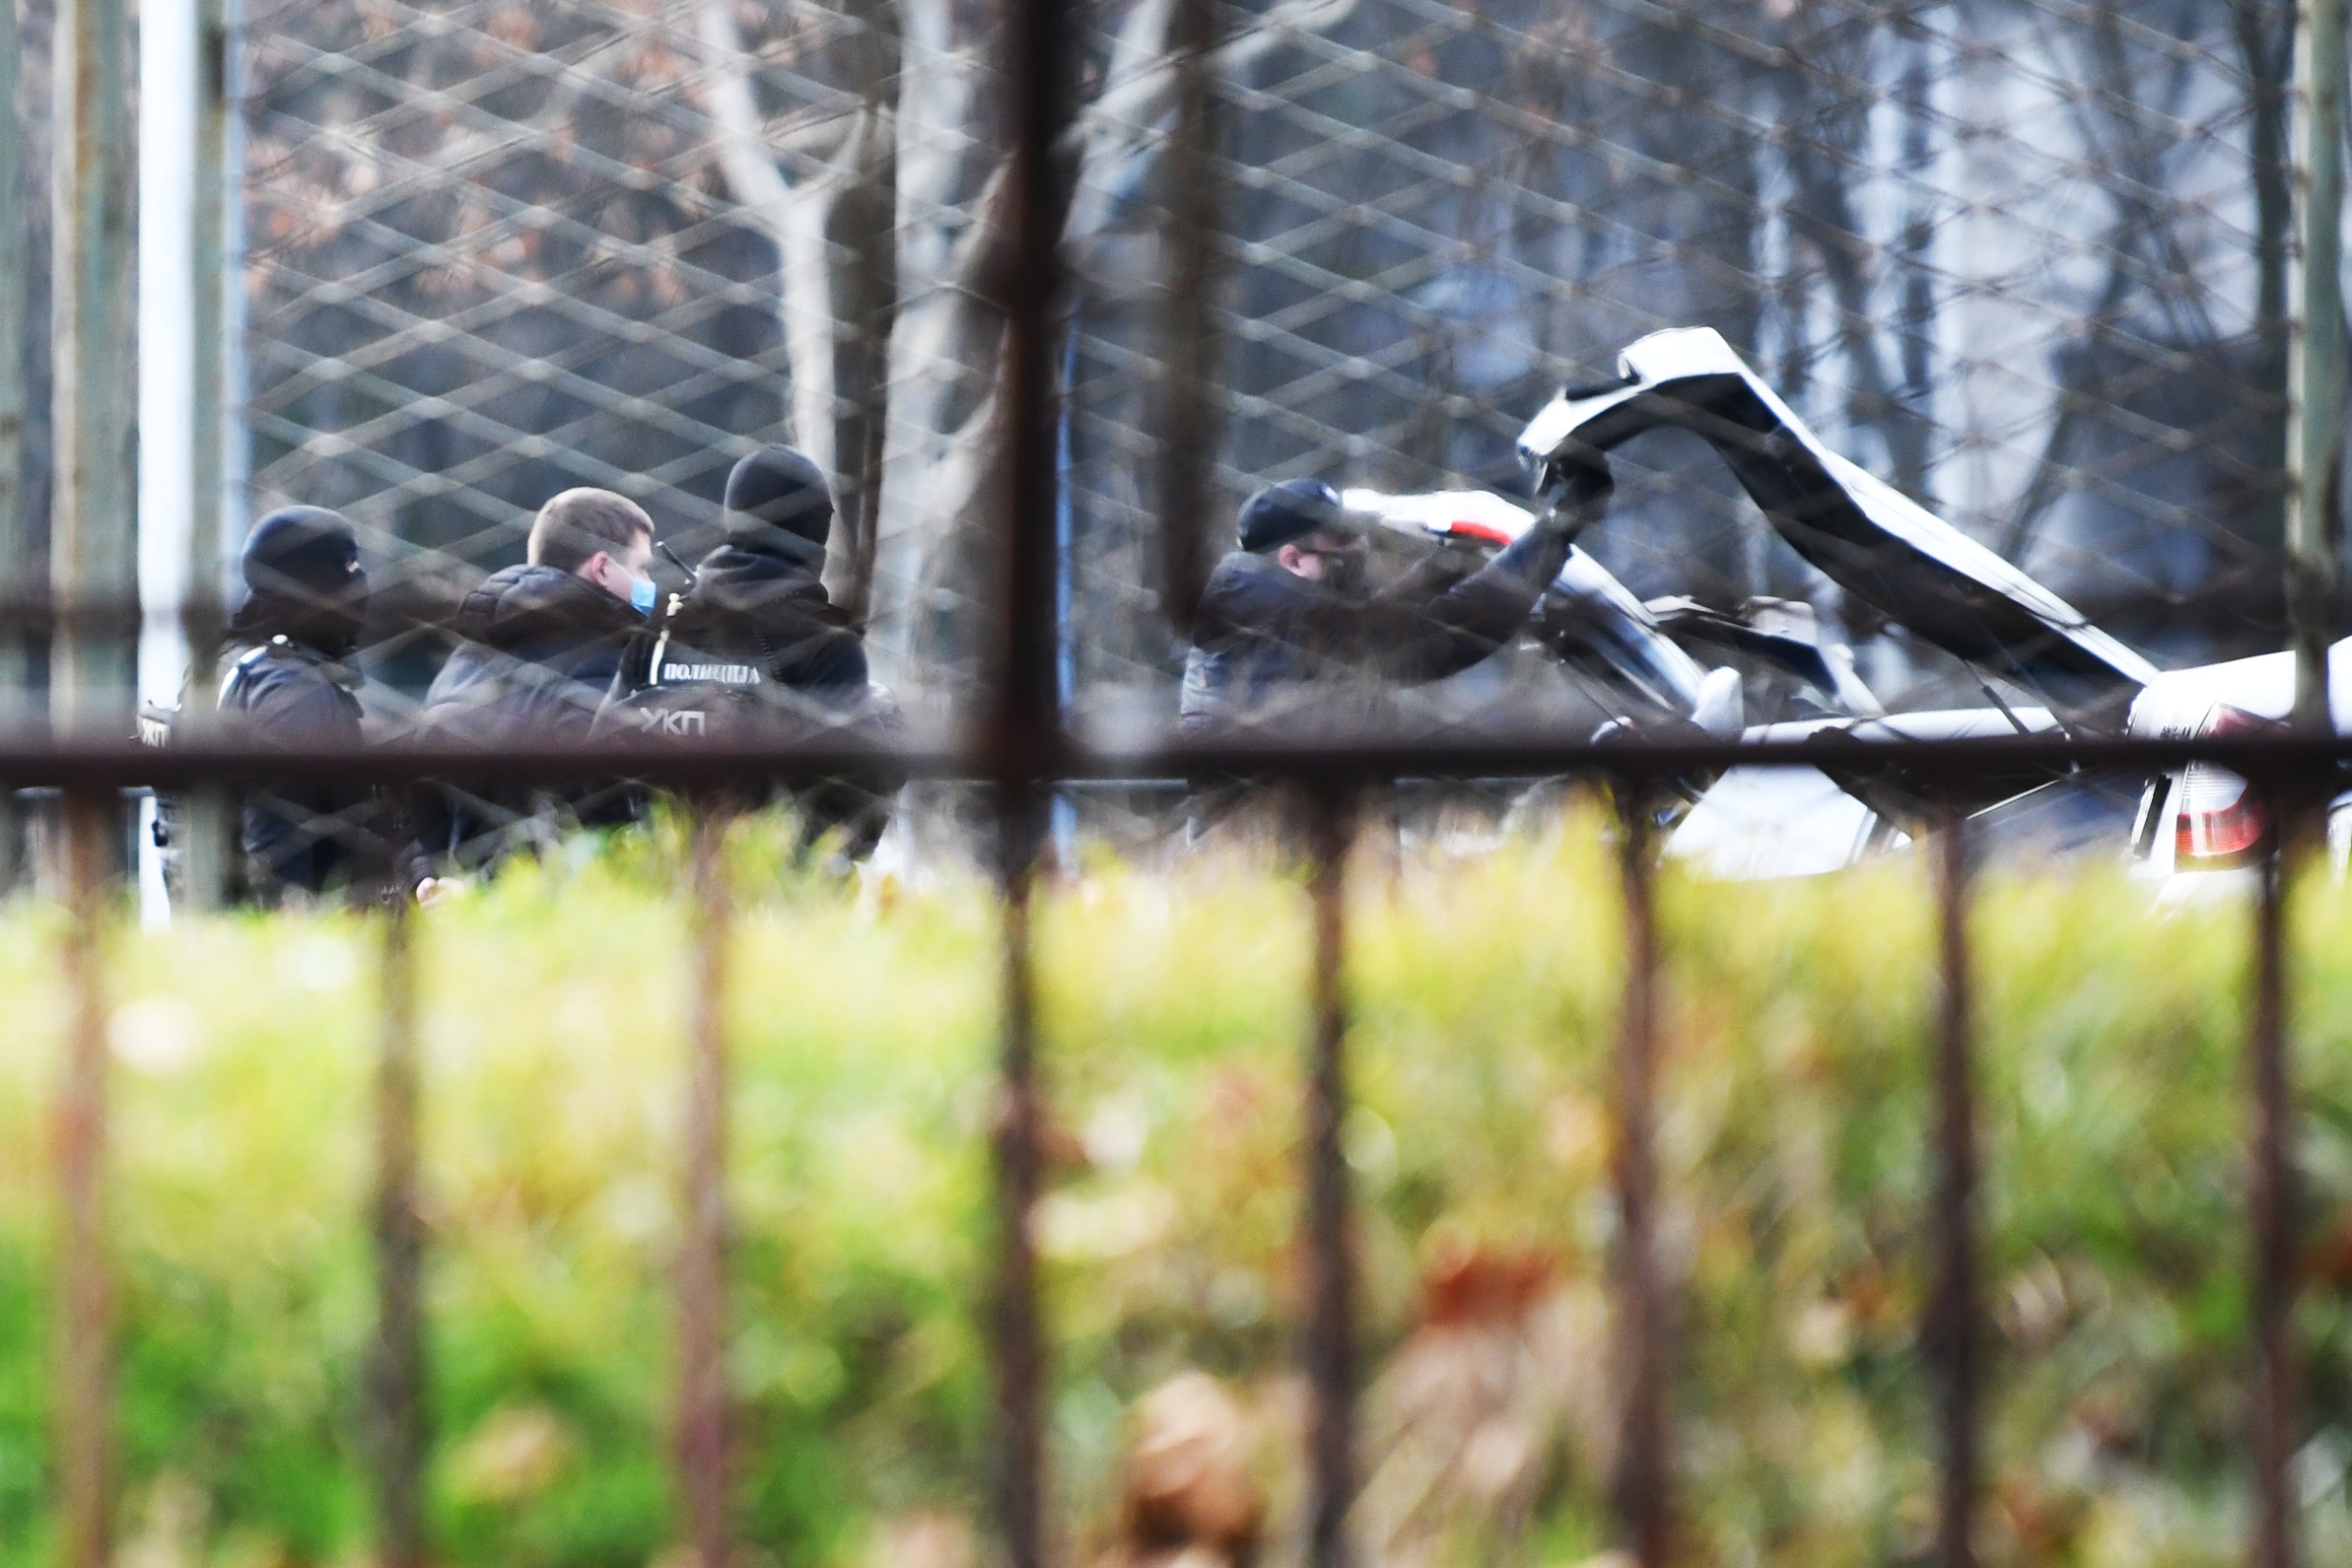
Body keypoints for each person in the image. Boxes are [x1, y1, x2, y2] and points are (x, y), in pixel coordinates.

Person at [599, 444, 899, 858]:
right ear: (813, 533)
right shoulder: (825, 643)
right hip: (772, 886)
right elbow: (849, 802)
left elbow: (596, 764)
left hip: (662, 871)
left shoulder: (662, 629)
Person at [1177, 459, 1613, 736]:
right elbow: (1434, 636)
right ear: (1292, 559)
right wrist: (1553, 533)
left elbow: (1380, 619)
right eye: (1341, 542)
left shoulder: (1265, 602)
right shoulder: (1288, 614)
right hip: (1271, 851)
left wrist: (1447, 568)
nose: (1357, 550)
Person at [412, 488, 658, 871]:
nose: (647, 581)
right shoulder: (607, 663)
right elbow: (593, 823)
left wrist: (426, 878)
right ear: (603, 568)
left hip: (458, 909)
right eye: (641, 566)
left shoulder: (465, 660)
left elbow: (421, 814)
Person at [215, 505, 379, 902]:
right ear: (314, 584)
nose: (361, 581)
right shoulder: (294, 694)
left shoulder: (230, 660)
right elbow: (278, 872)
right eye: (349, 565)